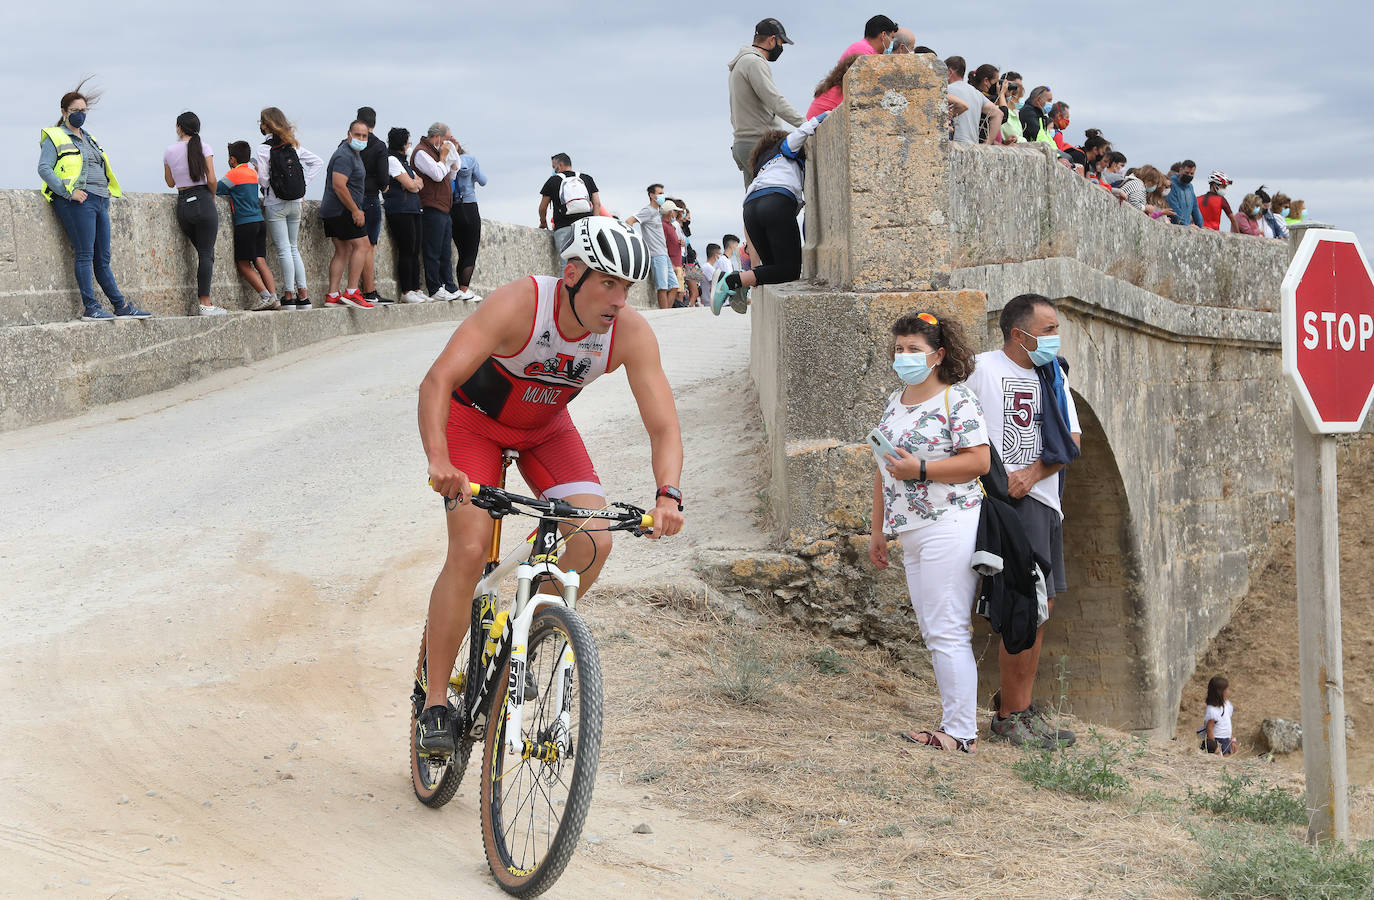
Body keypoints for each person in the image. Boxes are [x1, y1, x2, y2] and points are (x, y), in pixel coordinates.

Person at [414, 216, 686, 754]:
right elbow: (438, 379)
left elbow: (664, 424)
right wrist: (439, 461)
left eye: (627, 287)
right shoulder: (522, 304)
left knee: (594, 539)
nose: (618, 299)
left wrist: (668, 493)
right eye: (607, 283)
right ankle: (436, 701)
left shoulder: (628, 332)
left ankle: (521, 637)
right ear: (572, 274)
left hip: (545, 430)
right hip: (472, 426)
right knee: (469, 550)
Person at [867, 311, 990, 754]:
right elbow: (884, 470)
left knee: (947, 628)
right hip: (910, 529)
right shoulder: (895, 401)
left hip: (949, 522)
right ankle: (953, 723)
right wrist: (878, 530)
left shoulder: (957, 401)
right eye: (899, 349)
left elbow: (979, 462)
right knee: (931, 627)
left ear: (938, 355)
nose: (904, 357)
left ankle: (960, 734)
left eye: (914, 350)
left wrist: (921, 467)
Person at [965, 294, 1082, 749]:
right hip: (1004, 505)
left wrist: (1032, 474)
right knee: (1024, 608)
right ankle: (1011, 715)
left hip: (1042, 500)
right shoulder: (981, 370)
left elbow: (1070, 440)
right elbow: (956, 422)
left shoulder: (1053, 375)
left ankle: (1019, 706)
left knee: (1042, 608)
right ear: (1019, 334)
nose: (1056, 339)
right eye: (1049, 329)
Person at [37, 79, 150, 321]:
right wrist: (69, 193)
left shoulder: (89, 138)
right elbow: (44, 168)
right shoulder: (55, 136)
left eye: (83, 111)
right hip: (78, 201)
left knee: (103, 258)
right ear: (64, 112)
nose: (80, 115)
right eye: (75, 111)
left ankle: (120, 306)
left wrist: (106, 192)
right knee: (85, 255)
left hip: (100, 201)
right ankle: (91, 307)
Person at [712, 114, 827, 315]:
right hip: (776, 202)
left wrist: (755, 262)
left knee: (773, 270)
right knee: (788, 270)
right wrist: (828, 114)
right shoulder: (785, 147)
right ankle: (731, 280)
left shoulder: (763, 166)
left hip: (750, 207)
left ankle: (741, 284)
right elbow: (805, 130)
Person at [256, 107, 323, 311]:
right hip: (295, 202)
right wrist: (302, 186)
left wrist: (272, 187)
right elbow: (317, 163)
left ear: (266, 124)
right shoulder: (294, 145)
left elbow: (263, 179)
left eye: (261, 122)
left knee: (284, 249)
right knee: (294, 248)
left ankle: (289, 295)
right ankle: (303, 296)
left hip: (275, 203)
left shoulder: (263, 149)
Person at [728, 17, 804, 187]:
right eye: (781, 43)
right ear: (772, 40)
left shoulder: (740, 63)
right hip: (758, 143)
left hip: (742, 143)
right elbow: (774, 100)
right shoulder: (754, 62)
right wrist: (805, 124)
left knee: (753, 202)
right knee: (778, 193)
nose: (780, 48)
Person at [163, 112, 225, 316]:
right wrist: (212, 198)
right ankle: (205, 304)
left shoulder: (169, 151)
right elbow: (212, 179)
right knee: (206, 253)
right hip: (203, 200)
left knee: (205, 252)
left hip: (183, 205)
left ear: (179, 128)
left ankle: (206, 303)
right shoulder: (204, 147)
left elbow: (170, 182)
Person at [319, 120, 375, 309]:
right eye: (357, 135)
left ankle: (333, 294)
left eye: (364, 136)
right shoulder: (345, 155)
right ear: (349, 133)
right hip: (342, 210)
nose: (361, 139)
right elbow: (339, 185)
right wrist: (355, 210)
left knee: (343, 250)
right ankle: (352, 292)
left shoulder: (352, 154)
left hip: (332, 210)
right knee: (363, 245)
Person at [217, 140, 278, 311]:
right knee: (260, 261)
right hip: (259, 221)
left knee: (243, 263)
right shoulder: (252, 172)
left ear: (233, 160)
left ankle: (265, 296)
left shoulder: (233, 174)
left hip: (245, 223)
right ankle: (274, 297)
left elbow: (216, 189)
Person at [807, 14, 899, 118]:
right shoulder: (863, 53)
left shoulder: (863, 48)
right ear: (883, 35)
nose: (891, 43)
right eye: (891, 38)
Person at [411, 123, 461, 301]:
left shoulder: (437, 153)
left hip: (444, 208)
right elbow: (438, 175)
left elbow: (453, 173)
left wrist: (451, 154)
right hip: (431, 206)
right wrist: (445, 156)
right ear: (437, 136)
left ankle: (449, 285)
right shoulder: (422, 152)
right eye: (447, 139)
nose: (447, 144)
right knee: (432, 250)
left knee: (445, 251)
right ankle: (434, 287)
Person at [383, 127, 428, 304]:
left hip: (413, 208)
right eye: (408, 142)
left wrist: (413, 184)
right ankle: (406, 290)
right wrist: (412, 184)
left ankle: (416, 288)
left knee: (415, 249)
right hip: (400, 210)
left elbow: (419, 183)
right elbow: (410, 185)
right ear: (402, 144)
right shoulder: (392, 160)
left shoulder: (404, 161)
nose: (410, 145)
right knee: (407, 249)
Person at [354, 106, 392, 305]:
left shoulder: (347, 143)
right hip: (369, 198)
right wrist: (382, 186)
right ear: (374, 124)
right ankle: (369, 290)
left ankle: (353, 290)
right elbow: (384, 179)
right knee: (368, 246)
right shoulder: (378, 146)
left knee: (353, 247)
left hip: (350, 198)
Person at [624, 185, 677, 309]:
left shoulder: (658, 213)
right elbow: (629, 221)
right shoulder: (648, 211)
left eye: (663, 193)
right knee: (662, 288)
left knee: (674, 286)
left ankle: (667, 312)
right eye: (660, 193)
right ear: (652, 196)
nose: (662, 195)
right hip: (656, 255)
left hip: (664, 254)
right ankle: (665, 315)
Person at [540, 154, 600, 255]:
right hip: (585, 228)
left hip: (563, 227)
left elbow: (542, 208)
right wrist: (594, 224)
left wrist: (543, 222)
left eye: (554, 167)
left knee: (566, 265)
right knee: (586, 263)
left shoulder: (553, 181)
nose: (554, 170)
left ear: (560, 165)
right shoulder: (587, 179)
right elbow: (597, 204)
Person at [450, 140, 487, 302]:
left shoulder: (447, 161)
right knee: (470, 252)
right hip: (470, 206)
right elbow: (483, 181)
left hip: (453, 209)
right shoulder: (471, 160)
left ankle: (460, 289)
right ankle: (464, 289)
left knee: (461, 251)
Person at [945, 57, 1002, 145]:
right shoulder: (977, 93)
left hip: (955, 144)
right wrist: (988, 143)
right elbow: (998, 114)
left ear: (950, 71)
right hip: (973, 146)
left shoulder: (946, 90)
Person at [1200, 675, 1235, 755]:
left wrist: (1232, 740)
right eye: (1226, 689)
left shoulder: (1226, 705)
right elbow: (1209, 729)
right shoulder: (1213, 710)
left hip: (1226, 739)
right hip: (1218, 740)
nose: (1228, 691)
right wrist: (1215, 747)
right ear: (1220, 692)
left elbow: (1227, 724)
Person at [1167, 160, 1205, 228]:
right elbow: (1174, 208)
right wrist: (1186, 225)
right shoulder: (1172, 185)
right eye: (1187, 172)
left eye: (1192, 173)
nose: (1189, 175)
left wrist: (1200, 226)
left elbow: (1195, 208)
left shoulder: (1190, 187)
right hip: (1174, 226)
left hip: (1187, 226)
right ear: (1181, 170)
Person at [662, 202, 685, 307]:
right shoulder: (665, 226)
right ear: (670, 212)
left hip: (678, 261)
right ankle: (668, 309)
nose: (676, 214)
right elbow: (664, 245)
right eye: (675, 211)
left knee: (679, 289)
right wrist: (671, 264)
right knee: (676, 289)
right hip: (673, 261)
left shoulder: (672, 226)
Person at [999, 72, 1025, 144]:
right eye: (1015, 87)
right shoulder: (1000, 109)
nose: (1019, 90)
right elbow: (1011, 135)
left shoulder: (1015, 112)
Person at [698, 243, 721, 307]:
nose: (720, 256)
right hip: (710, 303)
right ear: (715, 255)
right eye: (719, 254)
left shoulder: (707, 267)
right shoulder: (708, 268)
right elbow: (716, 285)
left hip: (709, 302)